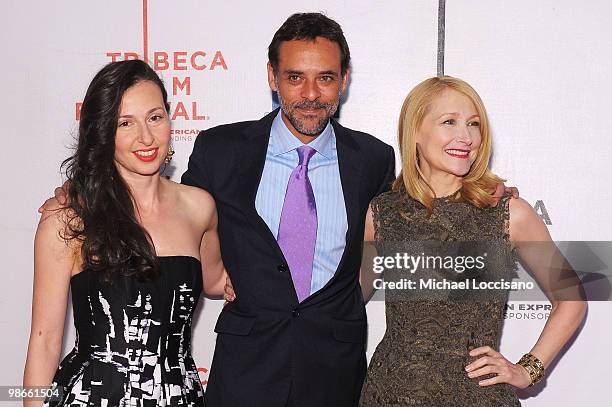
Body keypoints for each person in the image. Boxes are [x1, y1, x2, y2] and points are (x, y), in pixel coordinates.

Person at [358, 76, 587, 406]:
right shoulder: (382, 213)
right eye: (449, 122)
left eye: (474, 124)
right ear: (415, 132)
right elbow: (348, 300)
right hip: (392, 393)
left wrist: (528, 370)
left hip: (475, 396)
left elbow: (571, 298)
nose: (465, 137)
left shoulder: (508, 213)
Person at [24, 60, 226, 406]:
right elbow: (44, 342)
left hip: (180, 397)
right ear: (103, 133)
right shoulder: (68, 221)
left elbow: (217, 280)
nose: (145, 137)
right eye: (125, 123)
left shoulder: (199, 207)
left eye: (155, 117)